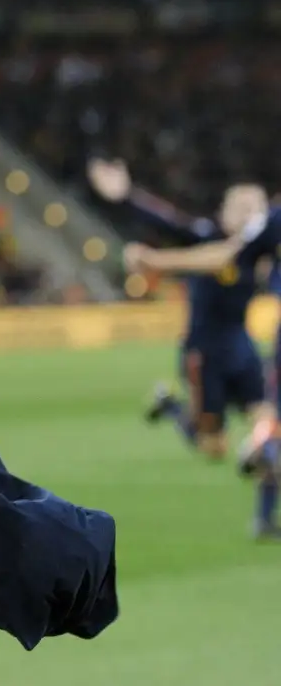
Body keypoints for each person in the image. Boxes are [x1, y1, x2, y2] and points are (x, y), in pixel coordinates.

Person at [89, 159, 276, 461]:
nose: (248, 215)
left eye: (254, 208)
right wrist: (125, 197)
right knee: (214, 449)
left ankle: (264, 484)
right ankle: (173, 407)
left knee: (266, 415)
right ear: (224, 210)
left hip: (242, 342)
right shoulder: (206, 235)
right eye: (240, 207)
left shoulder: (262, 248)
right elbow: (167, 222)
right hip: (204, 350)